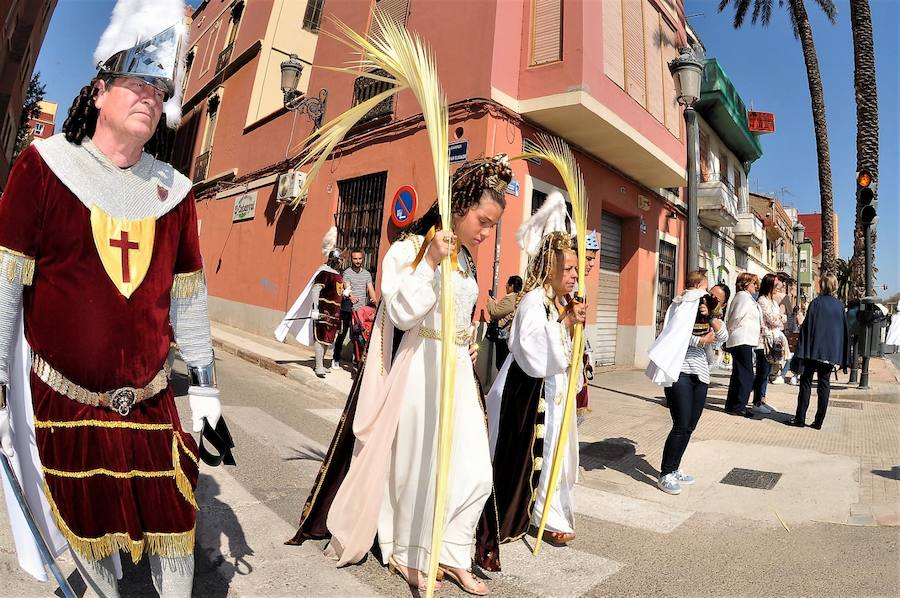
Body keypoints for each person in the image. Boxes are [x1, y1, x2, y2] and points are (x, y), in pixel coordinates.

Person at [0, 7, 219, 596]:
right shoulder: (44, 168)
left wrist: (206, 390)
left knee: (176, 535)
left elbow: (189, 301)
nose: (151, 95)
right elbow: (4, 286)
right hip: (66, 404)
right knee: (91, 542)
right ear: (99, 91)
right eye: (137, 81)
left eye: (161, 86)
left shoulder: (176, 192)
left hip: (151, 404)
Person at [286, 155, 512, 595]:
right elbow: (405, 312)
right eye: (483, 221)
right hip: (419, 366)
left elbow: (463, 310)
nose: (486, 233)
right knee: (418, 463)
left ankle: (452, 550)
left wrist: (467, 340)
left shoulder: (466, 259)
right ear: (461, 206)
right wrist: (428, 261)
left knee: (475, 469)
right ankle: (408, 553)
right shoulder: (409, 248)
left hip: (458, 373)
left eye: (492, 227)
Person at [477, 197, 585, 568]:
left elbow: (568, 350)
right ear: (549, 269)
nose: (574, 275)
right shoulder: (533, 302)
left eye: (575, 269)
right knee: (536, 457)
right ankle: (536, 515)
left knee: (555, 454)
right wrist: (566, 325)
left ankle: (548, 512)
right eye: (568, 269)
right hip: (530, 395)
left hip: (555, 395)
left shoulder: (559, 301)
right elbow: (532, 351)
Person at [647, 272, 728, 495]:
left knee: (690, 425)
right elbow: (675, 334)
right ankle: (666, 473)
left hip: (700, 374)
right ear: (696, 287)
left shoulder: (708, 311)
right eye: (705, 289)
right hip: (680, 372)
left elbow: (723, 337)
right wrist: (700, 340)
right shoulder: (681, 305)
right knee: (681, 424)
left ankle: (674, 467)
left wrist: (710, 315)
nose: (706, 294)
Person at [274, 229, 345, 378]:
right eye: (340, 260)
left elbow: (337, 291)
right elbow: (316, 290)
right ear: (334, 260)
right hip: (324, 310)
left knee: (328, 339)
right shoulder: (324, 272)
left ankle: (321, 364)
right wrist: (316, 309)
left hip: (334, 313)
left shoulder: (338, 275)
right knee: (321, 337)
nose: (341, 262)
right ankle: (318, 366)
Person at [786, 273, 850, 429]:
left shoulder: (816, 303)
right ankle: (818, 421)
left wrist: (801, 350)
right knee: (824, 384)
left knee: (806, 382)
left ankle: (800, 418)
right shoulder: (839, 306)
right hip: (829, 354)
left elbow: (807, 328)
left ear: (822, 285)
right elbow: (844, 331)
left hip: (812, 351)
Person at [723, 273, 762, 417]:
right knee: (746, 374)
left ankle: (732, 405)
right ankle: (739, 406)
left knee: (739, 373)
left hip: (743, 339)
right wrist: (728, 333)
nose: (756, 286)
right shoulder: (743, 298)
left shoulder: (745, 298)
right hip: (741, 339)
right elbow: (735, 317)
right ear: (746, 284)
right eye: (753, 284)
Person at [333, 249, 376, 367]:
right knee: (342, 334)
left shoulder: (367, 274)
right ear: (351, 259)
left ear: (363, 259)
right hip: (348, 309)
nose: (357, 261)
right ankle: (336, 358)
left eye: (359, 258)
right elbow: (347, 286)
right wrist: (351, 296)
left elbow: (370, 289)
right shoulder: (347, 272)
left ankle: (357, 361)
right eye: (355, 259)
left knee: (358, 337)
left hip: (360, 312)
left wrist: (374, 299)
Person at [751, 273, 783, 414]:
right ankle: (757, 401)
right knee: (762, 372)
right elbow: (774, 320)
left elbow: (779, 321)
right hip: (763, 341)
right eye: (775, 285)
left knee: (767, 371)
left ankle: (762, 399)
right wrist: (781, 318)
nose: (778, 287)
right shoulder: (762, 301)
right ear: (769, 285)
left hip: (773, 340)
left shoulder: (774, 302)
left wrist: (780, 319)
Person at [486, 275, 523, 369]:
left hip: (503, 335)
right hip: (508, 335)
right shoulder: (518, 298)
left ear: (511, 286)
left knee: (500, 363)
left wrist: (490, 302)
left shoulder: (510, 298)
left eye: (507, 283)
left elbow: (494, 313)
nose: (505, 285)